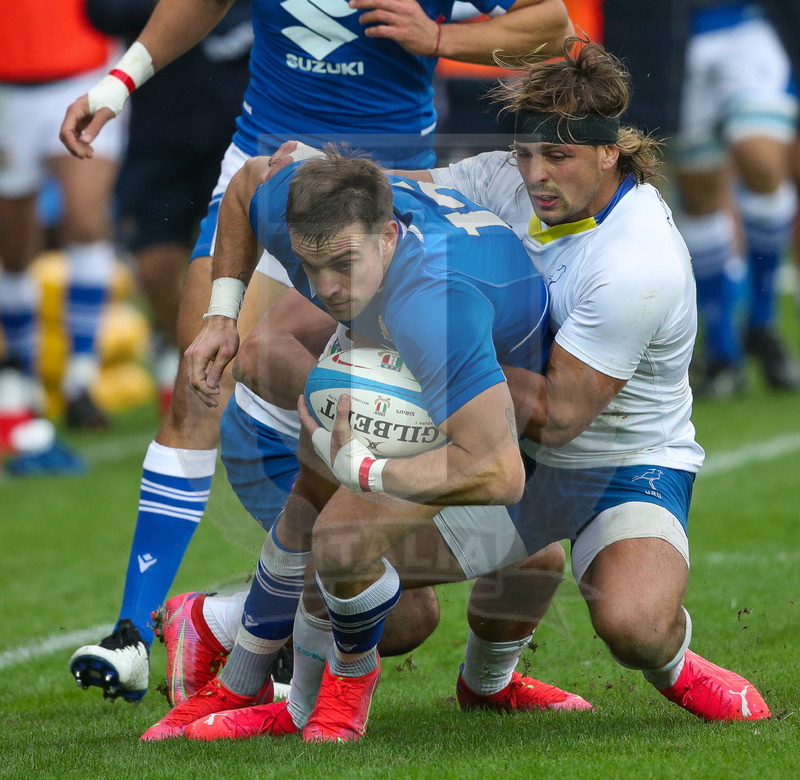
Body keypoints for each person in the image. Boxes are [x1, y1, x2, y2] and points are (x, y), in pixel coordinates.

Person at [161, 37, 769, 743]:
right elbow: (355, 190)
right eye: (526, 155)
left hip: (623, 459)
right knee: (371, 579)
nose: (536, 176)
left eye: (559, 158)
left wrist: (428, 357)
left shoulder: (637, 260)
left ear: (611, 152)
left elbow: (565, 415)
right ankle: (213, 621)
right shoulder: (496, 180)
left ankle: (666, 661)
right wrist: (323, 190)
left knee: (634, 625)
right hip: (513, 447)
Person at [61, 0, 574, 703]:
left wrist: (443, 37)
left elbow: (554, 24)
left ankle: (241, 624)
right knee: (202, 377)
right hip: (274, 162)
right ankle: (130, 634)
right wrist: (121, 82)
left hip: (396, 188)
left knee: (403, 602)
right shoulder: (264, 185)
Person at [138, 144, 598, 742]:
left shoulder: (435, 306)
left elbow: (499, 472)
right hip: (374, 380)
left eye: (343, 264)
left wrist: (367, 466)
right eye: (311, 265)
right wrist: (221, 315)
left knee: (436, 563)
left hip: (491, 412)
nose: (326, 287)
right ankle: (255, 688)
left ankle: (349, 693)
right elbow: (248, 183)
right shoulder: (305, 211)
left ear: (387, 235)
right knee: (329, 519)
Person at [84, 0, 253, 412]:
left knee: (236, 260)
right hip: (161, 127)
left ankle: (235, 373)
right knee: (154, 262)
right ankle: (173, 341)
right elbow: (101, 13)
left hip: (238, 125)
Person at [0, 0, 123, 437]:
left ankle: (81, 379)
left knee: (86, 221)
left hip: (83, 73)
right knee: (13, 250)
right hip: (8, 89)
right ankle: (23, 381)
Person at [669, 2, 799, 398]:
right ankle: (723, 349)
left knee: (762, 162)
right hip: (675, 33)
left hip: (749, 26)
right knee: (699, 194)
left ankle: (762, 318)